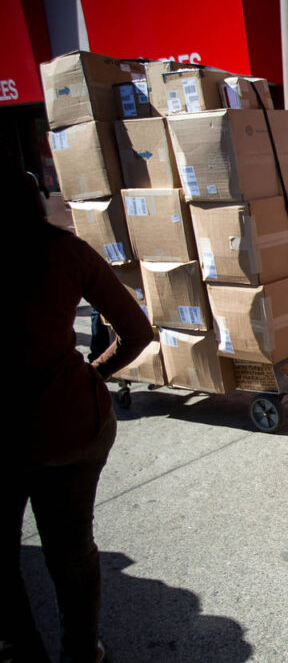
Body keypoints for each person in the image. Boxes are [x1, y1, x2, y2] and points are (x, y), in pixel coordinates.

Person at [4, 166, 152, 662]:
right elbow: (137, 332)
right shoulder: (65, 251)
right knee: (70, 551)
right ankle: (82, 651)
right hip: (71, 423)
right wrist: (94, 373)